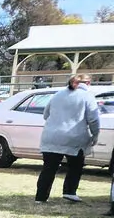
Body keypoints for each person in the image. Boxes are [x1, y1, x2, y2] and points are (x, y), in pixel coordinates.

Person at [36, 74, 100, 203]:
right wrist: (95, 134)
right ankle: (69, 191)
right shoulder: (87, 96)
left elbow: (45, 115)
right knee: (75, 166)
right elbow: (93, 119)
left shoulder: (57, 95)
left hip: (51, 136)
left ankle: (41, 197)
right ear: (87, 83)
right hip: (74, 137)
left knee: (49, 168)